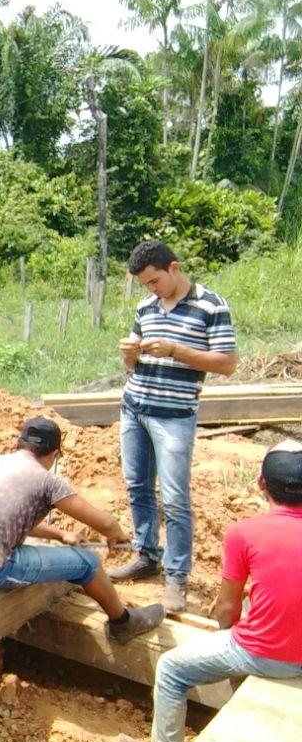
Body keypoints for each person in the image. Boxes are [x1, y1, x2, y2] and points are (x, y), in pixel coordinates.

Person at [119, 440, 302, 742]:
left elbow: (228, 608)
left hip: (264, 654)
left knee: (172, 669)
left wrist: (228, 637)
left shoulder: (245, 533)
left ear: (261, 483)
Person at [0, 417, 165, 643]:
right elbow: (106, 524)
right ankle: (123, 623)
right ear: (54, 454)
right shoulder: (46, 480)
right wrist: (117, 534)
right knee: (90, 564)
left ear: (20, 443)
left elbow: (13, 519)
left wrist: (60, 534)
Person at [113, 239, 238, 613]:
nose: (151, 289)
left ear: (174, 268)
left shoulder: (210, 306)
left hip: (174, 416)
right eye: (145, 284)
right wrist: (129, 356)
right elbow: (133, 366)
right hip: (135, 407)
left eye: (155, 281)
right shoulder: (146, 307)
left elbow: (227, 363)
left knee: (174, 499)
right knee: (137, 486)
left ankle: (177, 577)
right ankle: (146, 555)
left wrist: (176, 350)